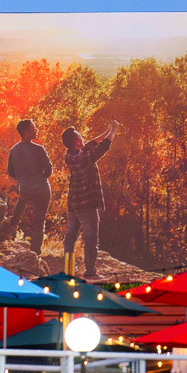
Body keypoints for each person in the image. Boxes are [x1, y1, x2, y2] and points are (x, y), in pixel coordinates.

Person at [61, 119, 122, 279]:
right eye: (80, 138)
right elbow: (102, 147)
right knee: (91, 239)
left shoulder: (71, 154)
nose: (82, 140)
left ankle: (68, 270)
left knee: (70, 238)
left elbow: (91, 143)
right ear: (76, 142)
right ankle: (90, 272)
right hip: (86, 204)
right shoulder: (83, 158)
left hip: (73, 204)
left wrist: (107, 129)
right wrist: (113, 130)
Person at [3, 119, 54, 254]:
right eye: (34, 128)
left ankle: (11, 230)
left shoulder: (14, 150)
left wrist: (23, 179)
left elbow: (11, 171)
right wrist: (39, 177)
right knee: (39, 221)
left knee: (22, 201)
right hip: (41, 190)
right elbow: (49, 169)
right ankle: (35, 252)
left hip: (25, 189)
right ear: (26, 131)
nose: (36, 129)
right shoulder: (38, 149)